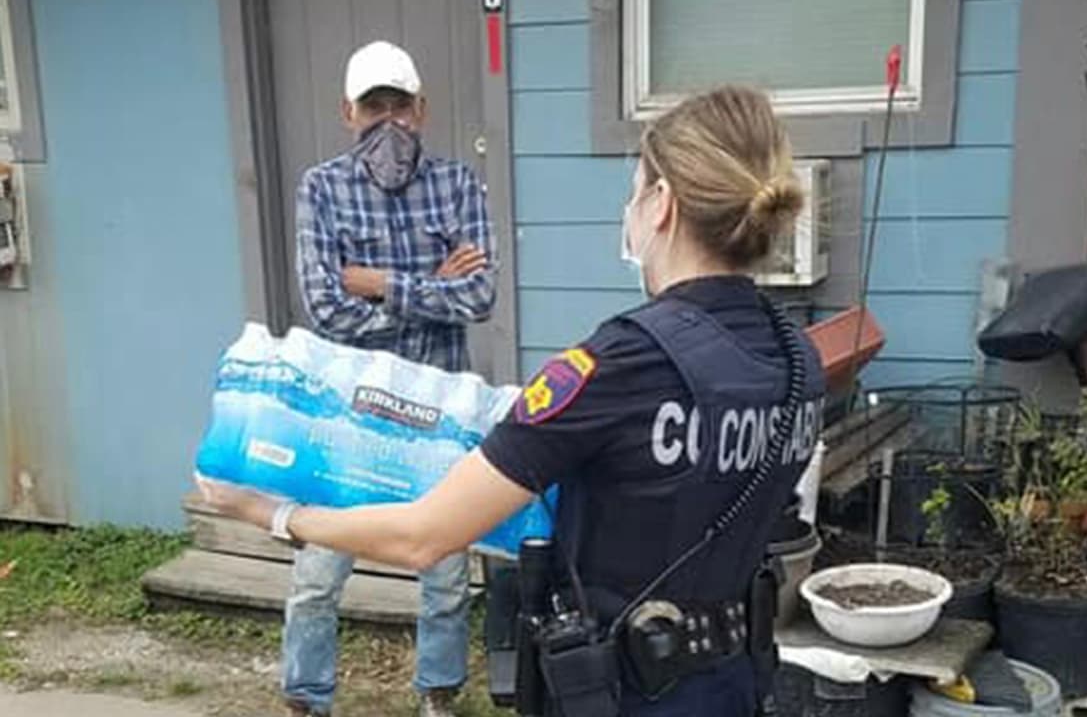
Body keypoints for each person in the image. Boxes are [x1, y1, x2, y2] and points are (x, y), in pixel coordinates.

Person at [201, 85, 827, 716]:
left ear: (661, 204)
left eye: (636, 190)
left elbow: (424, 537)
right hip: (734, 685)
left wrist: (269, 514)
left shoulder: (619, 366)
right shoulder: (799, 359)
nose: (630, 209)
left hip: (624, 693)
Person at [285, 41, 496, 717]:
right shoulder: (320, 188)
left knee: (444, 572)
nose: (387, 121)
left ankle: (438, 694)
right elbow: (325, 310)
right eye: (373, 106)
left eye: (398, 105)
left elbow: (481, 296)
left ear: (421, 109)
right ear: (348, 113)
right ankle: (306, 697)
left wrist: (379, 284)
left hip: (441, 407)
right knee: (319, 571)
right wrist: (430, 285)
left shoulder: (459, 183)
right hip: (350, 410)